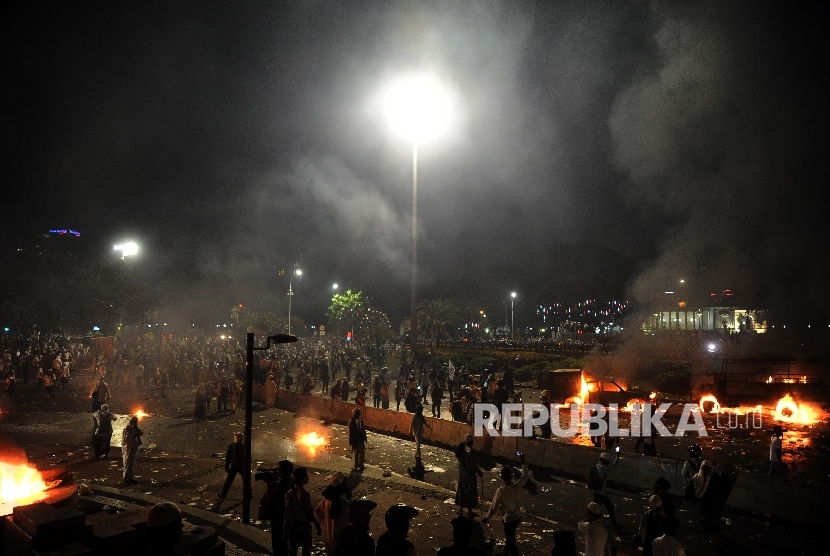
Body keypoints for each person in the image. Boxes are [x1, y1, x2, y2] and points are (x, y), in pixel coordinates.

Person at [482, 453, 529, 556]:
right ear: (511, 476)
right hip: (517, 517)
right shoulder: (516, 487)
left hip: (508, 519)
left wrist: (487, 517)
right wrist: (523, 461)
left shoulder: (501, 491)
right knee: (510, 538)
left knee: (511, 541)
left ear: (502, 477)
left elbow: (493, 507)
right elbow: (525, 476)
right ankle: (505, 553)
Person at [283, 466, 321, 556]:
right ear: (302, 479)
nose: (308, 477)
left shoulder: (289, 493)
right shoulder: (305, 494)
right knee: (306, 551)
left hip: (293, 526)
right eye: (306, 476)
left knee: (292, 550)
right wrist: (316, 523)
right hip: (304, 526)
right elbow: (309, 511)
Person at [313, 471, 351, 555]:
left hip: (329, 537)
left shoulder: (326, 502)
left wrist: (327, 523)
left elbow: (317, 512)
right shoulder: (344, 504)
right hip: (342, 539)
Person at [265, 460, 295, 556]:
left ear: (285, 472)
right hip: (286, 519)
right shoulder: (291, 482)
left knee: (278, 546)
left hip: (279, 520)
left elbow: (270, 499)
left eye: (279, 471)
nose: (277, 472)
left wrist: (268, 485)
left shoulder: (282, 486)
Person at [453, 434, 483, 518]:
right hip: (470, 476)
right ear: (471, 442)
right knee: (470, 493)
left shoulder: (461, 449)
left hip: (462, 474)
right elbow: (473, 464)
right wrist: (479, 472)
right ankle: (470, 512)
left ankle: (461, 511)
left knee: (461, 492)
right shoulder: (471, 452)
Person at [591, 451, 623, 529]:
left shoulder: (598, 466)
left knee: (596, 510)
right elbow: (613, 466)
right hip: (601, 493)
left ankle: (593, 524)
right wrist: (617, 456)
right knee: (610, 507)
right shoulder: (604, 468)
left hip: (597, 492)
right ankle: (614, 525)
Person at [218, 432, 245, 500]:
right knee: (245, 480)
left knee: (229, 481)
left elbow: (228, 458)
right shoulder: (243, 446)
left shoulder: (232, 446)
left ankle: (223, 494)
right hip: (240, 466)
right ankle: (249, 494)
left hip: (235, 466)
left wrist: (227, 467)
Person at [121, 415, 144, 485]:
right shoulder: (128, 428)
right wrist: (137, 434)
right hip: (129, 448)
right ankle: (126, 478)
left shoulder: (133, 427)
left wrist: (136, 429)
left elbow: (141, 433)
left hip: (133, 447)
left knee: (132, 464)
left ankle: (130, 477)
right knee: (128, 463)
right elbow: (129, 438)